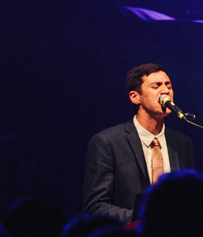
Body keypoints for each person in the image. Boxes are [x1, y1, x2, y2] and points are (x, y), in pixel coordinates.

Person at [83, 63, 195, 223]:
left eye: (168, 85)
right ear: (135, 97)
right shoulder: (107, 142)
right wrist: (146, 218)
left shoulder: (183, 143)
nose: (165, 91)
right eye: (156, 86)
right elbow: (95, 207)